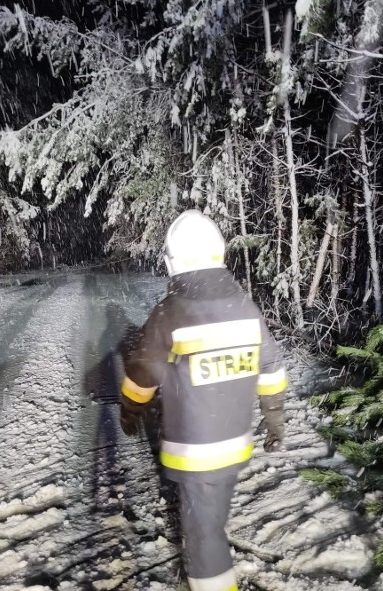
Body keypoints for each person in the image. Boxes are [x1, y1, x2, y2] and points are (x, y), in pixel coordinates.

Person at [120, 209, 287, 591]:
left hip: (196, 451)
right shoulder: (246, 307)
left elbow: (141, 376)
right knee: (212, 520)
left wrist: (130, 411)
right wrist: (275, 418)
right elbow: (272, 368)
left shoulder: (170, 313)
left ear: (171, 261)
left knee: (203, 537)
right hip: (235, 443)